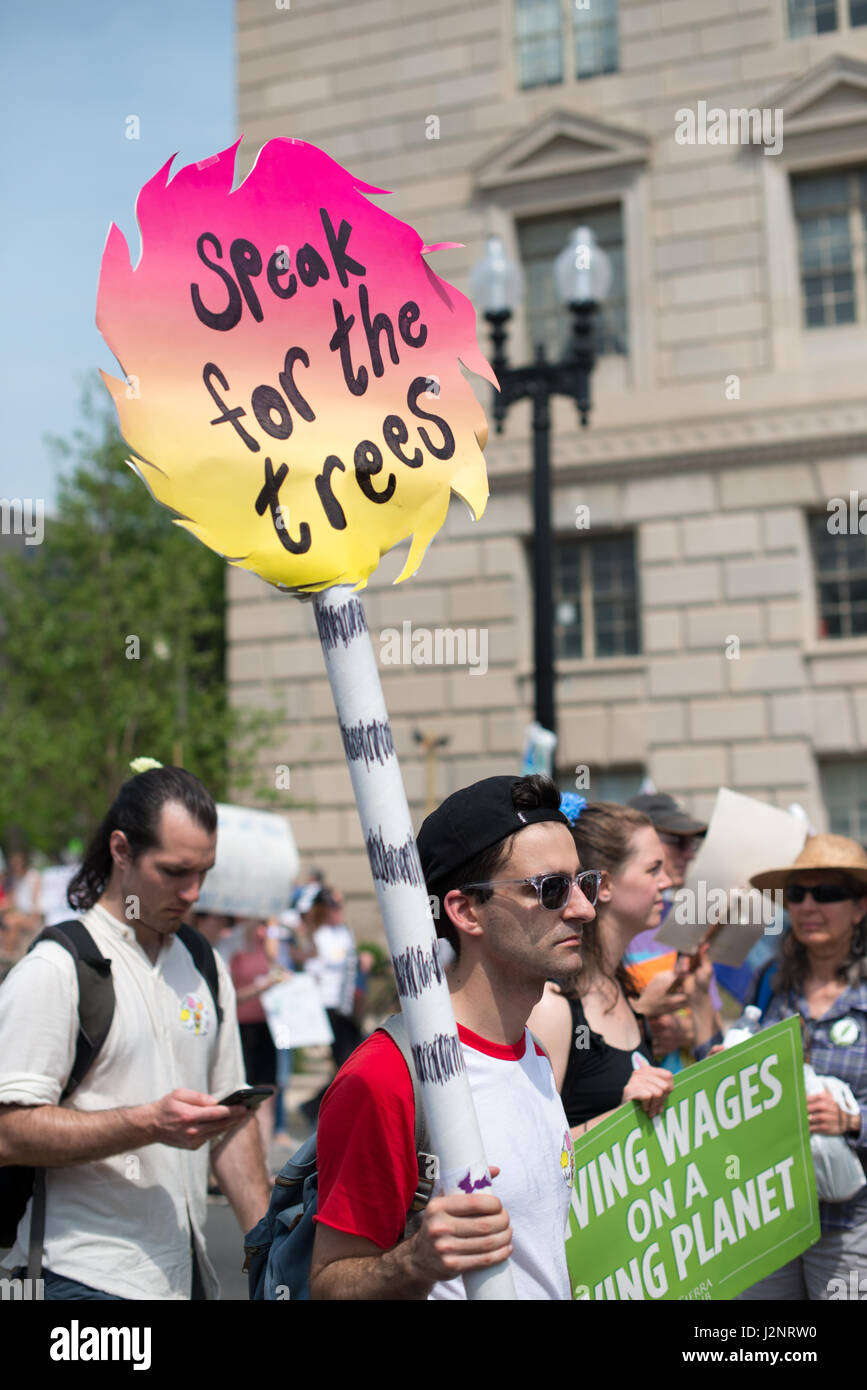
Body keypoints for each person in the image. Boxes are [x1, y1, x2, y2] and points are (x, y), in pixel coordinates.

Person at [310, 773, 598, 1301]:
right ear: (466, 911)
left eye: (586, 883)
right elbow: (329, 1283)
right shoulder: (388, 1074)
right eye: (551, 889)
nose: (583, 908)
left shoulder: (531, 1050)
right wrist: (413, 1263)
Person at [0, 765, 270, 1300]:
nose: (193, 892)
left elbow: (231, 1123)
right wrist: (146, 1123)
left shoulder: (202, 963)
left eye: (205, 872)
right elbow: (8, 1133)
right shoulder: (57, 969)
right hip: (79, 1278)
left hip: (184, 1276)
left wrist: (269, 1249)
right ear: (121, 850)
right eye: (174, 871)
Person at [737, 834, 867, 1301]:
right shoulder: (770, 980)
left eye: (827, 893)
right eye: (797, 894)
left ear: (860, 907)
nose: (809, 905)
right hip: (766, 1217)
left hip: (849, 1222)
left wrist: (852, 1121)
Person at [529, 802, 696, 1136]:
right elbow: (534, 1155)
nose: (667, 882)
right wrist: (621, 1119)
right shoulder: (552, 1005)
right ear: (603, 886)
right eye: (653, 869)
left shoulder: (623, 989)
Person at [626, 791, 721, 1065]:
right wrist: (641, 1018)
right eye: (679, 842)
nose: (690, 854)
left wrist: (684, 1034)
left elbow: (716, 1030)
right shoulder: (596, 928)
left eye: (692, 843)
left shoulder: (685, 921)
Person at [300, 887, 362, 1123]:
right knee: (346, 1061)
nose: (340, 910)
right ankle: (318, 1105)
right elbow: (312, 971)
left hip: (346, 1004)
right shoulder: (317, 935)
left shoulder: (344, 932)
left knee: (352, 1060)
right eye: (335, 905)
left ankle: (315, 1104)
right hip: (327, 1005)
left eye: (341, 904)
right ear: (324, 909)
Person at [230, 918, 289, 1157]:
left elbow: (283, 974)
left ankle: (262, 1159)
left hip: (267, 1027)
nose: (265, 931)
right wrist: (263, 986)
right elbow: (231, 997)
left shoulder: (269, 952)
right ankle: (237, 1155)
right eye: (262, 925)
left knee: (268, 1091)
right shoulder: (234, 951)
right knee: (242, 1092)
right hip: (241, 1028)